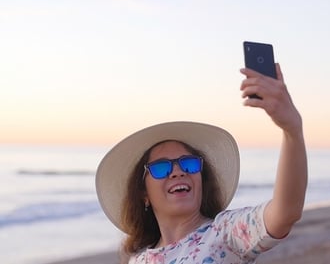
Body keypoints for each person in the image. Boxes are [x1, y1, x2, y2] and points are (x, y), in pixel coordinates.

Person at [95, 63, 308, 264]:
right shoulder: (138, 261)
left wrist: (292, 132)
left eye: (188, 164)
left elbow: (285, 212)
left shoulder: (224, 233)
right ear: (144, 193)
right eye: (162, 167)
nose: (177, 172)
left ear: (201, 180)